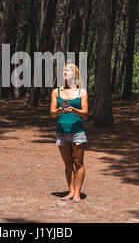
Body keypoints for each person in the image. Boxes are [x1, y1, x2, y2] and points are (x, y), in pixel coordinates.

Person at [50, 62, 88, 203]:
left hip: (77, 131)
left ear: (75, 74)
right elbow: (52, 114)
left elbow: (85, 113)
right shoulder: (56, 92)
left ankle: (77, 193)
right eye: (63, 71)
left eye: (68, 71)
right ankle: (70, 191)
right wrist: (60, 109)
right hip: (61, 131)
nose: (65, 73)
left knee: (78, 162)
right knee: (67, 163)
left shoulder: (82, 92)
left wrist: (72, 109)